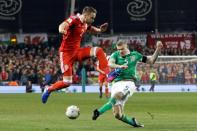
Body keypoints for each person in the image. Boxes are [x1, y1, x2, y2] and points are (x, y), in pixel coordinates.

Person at [42, 6, 109, 103]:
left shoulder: (85, 23)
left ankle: (108, 73)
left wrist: (100, 30)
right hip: (66, 54)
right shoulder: (74, 19)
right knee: (67, 82)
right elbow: (62, 24)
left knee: (98, 50)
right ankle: (48, 89)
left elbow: (89, 28)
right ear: (85, 15)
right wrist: (62, 29)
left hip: (77, 52)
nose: (93, 20)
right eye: (92, 17)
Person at [92, 40, 163, 127]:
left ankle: (99, 112)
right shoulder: (115, 55)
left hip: (129, 82)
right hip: (116, 84)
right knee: (117, 115)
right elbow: (110, 64)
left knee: (119, 95)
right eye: (118, 49)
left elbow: (151, 60)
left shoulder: (135, 55)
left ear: (126, 46)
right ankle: (133, 122)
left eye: (122, 49)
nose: (120, 51)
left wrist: (158, 49)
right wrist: (119, 66)